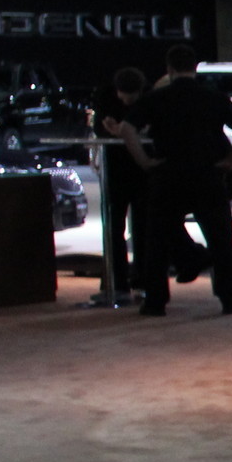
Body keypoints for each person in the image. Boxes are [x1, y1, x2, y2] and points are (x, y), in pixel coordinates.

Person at [127, 43, 232, 315]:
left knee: (157, 240)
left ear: (169, 69)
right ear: (195, 68)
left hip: (168, 174)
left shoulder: (157, 98)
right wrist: (231, 160)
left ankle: (156, 301)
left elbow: (127, 129)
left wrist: (145, 161)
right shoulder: (213, 97)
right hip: (207, 175)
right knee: (221, 238)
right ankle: (230, 298)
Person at [90, 67, 154, 296]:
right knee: (114, 226)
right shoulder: (106, 98)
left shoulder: (148, 99)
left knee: (142, 225)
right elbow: (101, 127)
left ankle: (143, 277)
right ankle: (117, 279)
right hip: (117, 168)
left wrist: (119, 131)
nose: (126, 100)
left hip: (139, 170)